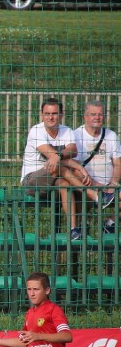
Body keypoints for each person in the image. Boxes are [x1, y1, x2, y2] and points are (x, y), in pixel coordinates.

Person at [20, 97, 90, 240]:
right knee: (59, 167)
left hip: (56, 181)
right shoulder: (36, 131)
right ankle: (93, 193)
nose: (50, 117)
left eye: (54, 113)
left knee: (65, 184)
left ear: (61, 115)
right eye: (47, 114)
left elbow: (73, 150)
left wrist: (61, 157)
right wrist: (76, 165)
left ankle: (73, 229)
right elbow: (53, 159)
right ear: (42, 115)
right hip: (32, 181)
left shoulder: (67, 131)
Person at [71, 100, 119, 236]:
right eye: (93, 114)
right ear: (85, 116)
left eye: (100, 114)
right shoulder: (75, 135)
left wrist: (113, 184)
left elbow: (118, 163)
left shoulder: (111, 135)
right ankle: (83, 225)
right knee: (78, 191)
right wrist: (95, 185)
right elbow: (73, 167)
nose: (97, 117)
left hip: (109, 187)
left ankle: (110, 222)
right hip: (87, 185)